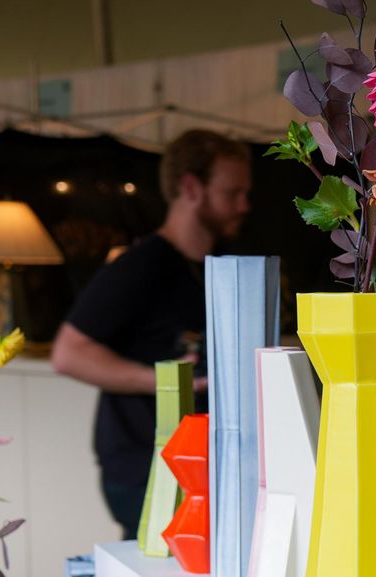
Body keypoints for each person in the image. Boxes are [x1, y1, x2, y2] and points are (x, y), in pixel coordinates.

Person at [51, 130, 252, 539]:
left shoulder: (210, 266)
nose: (243, 206)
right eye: (232, 193)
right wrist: (165, 380)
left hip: (192, 464)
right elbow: (68, 353)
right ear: (191, 188)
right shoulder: (141, 266)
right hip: (144, 465)